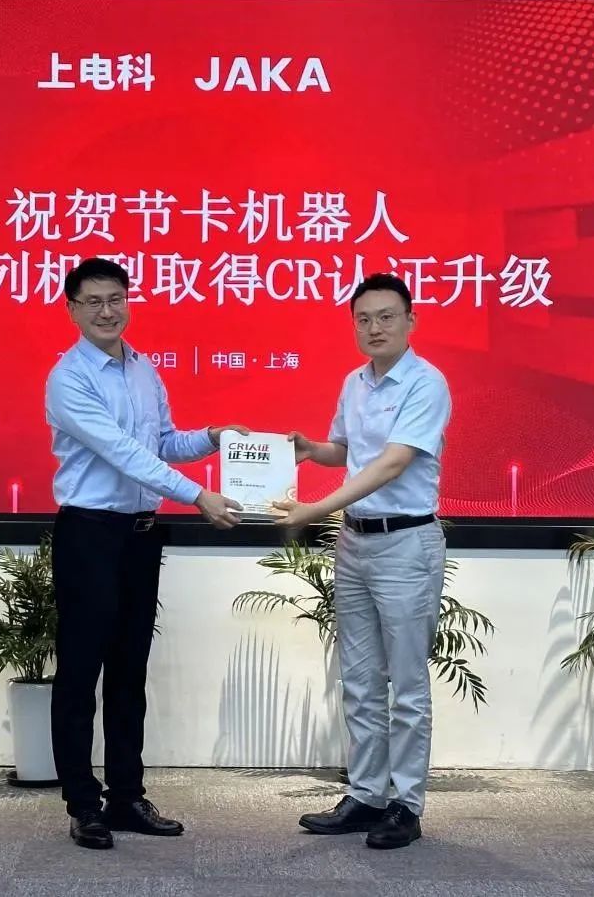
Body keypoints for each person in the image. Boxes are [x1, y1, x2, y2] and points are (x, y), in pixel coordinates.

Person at [44, 256, 246, 850]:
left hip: (139, 534)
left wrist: (214, 438)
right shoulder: (68, 378)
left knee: (130, 671)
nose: (107, 311)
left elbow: (160, 443)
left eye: (116, 299)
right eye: (93, 301)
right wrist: (199, 495)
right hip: (89, 534)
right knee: (81, 672)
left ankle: (127, 796)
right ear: (73, 310)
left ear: (128, 301)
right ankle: (84, 804)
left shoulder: (143, 368)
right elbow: (122, 454)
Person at [272, 272, 452, 850]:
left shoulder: (426, 383)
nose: (375, 328)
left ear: (410, 321)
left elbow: (393, 463)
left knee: (407, 685)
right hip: (355, 543)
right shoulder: (354, 383)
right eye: (364, 319)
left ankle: (407, 804)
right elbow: (348, 452)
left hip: (405, 544)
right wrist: (310, 450)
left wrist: (314, 509)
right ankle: (367, 794)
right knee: (359, 679)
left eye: (386, 316)